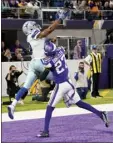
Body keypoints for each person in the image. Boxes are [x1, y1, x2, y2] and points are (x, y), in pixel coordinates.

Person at [7, 9, 70, 119]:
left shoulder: (29, 38)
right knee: (61, 77)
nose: (36, 26)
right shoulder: (34, 33)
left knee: (26, 86)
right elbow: (48, 30)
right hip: (41, 62)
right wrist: (59, 19)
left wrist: (51, 41)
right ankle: (67, 98)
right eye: (34, 25)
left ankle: (13, 105)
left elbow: (42, 42)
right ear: (30, 28)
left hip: (33, 63)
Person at [37, 42, 109, 138]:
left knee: (49, 107)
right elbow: (59, 50)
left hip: (61, 85)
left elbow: (42, 77)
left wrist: (38, 74)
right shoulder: (60, 51)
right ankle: (101, 114)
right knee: (79, 103)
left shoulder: (50, 62)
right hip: (69, 82)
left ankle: (45, 131)